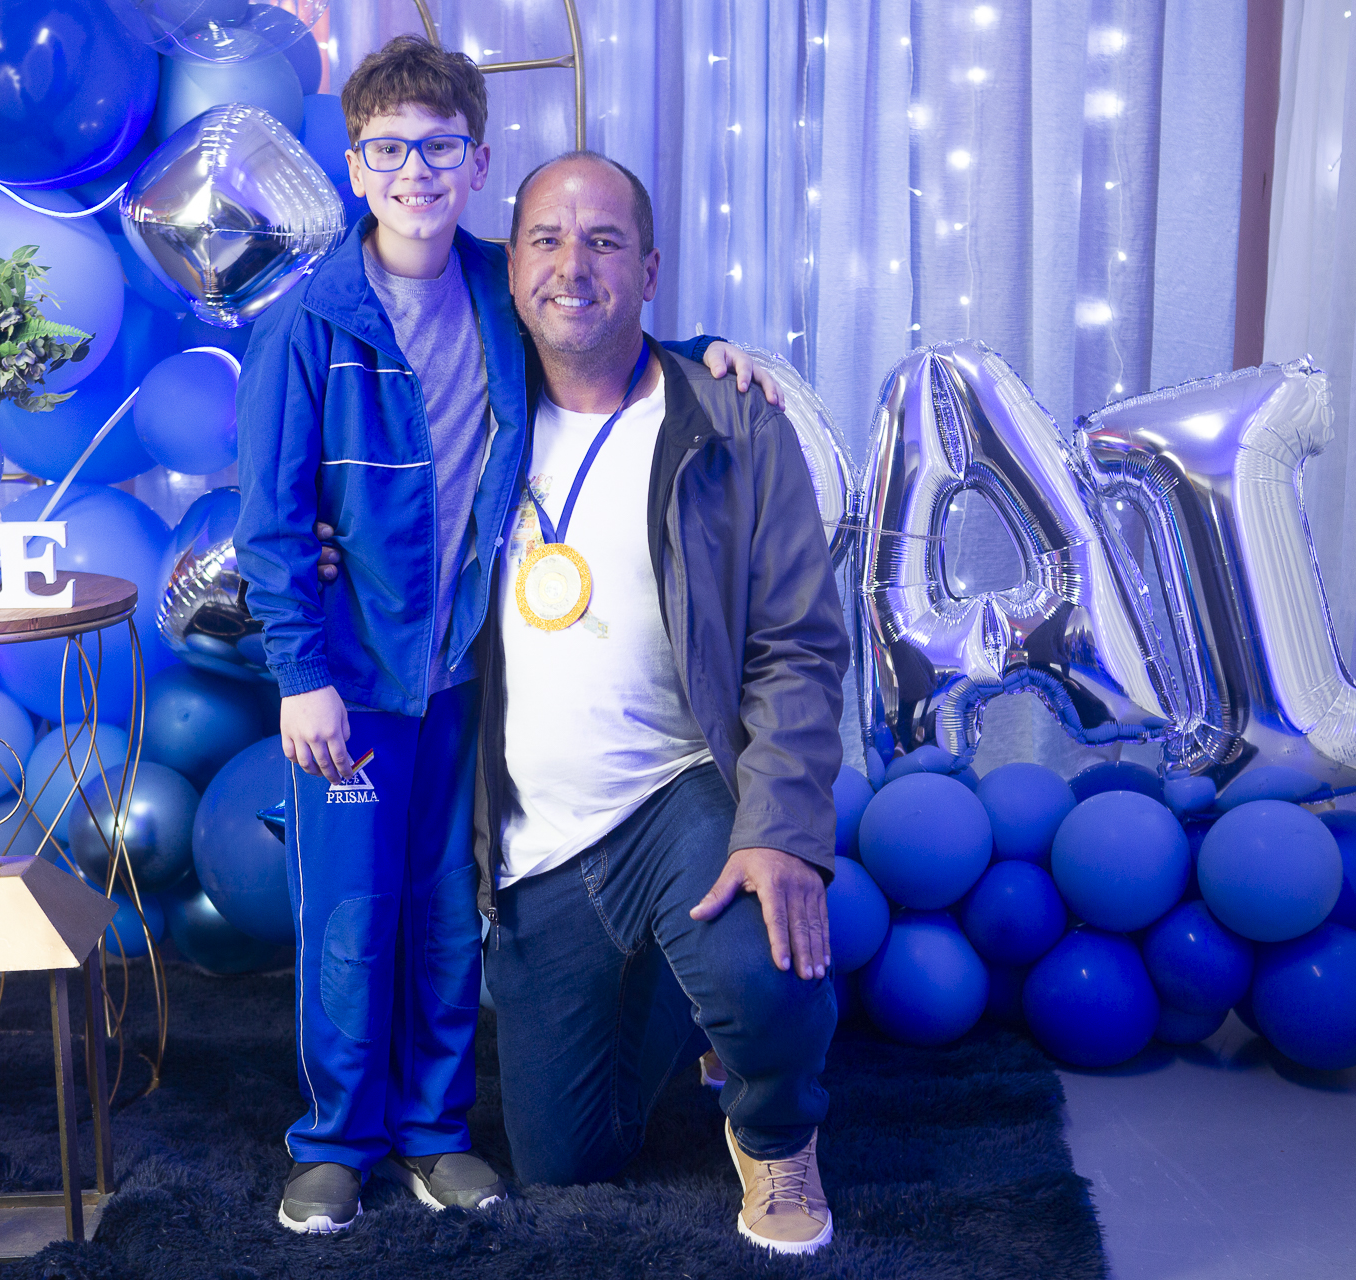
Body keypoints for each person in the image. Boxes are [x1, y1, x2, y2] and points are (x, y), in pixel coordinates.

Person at [234, 37, 780, 1237]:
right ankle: (336, 1140)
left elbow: (598, 332)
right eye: (389, 150)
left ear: (477, 163)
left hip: (469, 677)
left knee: (445, 910)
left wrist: (705, 355)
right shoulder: (307, 322)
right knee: (348, 921)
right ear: (354, 165)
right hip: (354, 686)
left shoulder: (498, 286)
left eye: (440, 149)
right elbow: (270, 524)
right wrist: (302, 672)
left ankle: (434, 1129)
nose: (415, 172)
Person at [475, 151, 848, 1256]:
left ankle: (775, 1129)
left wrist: (780, 829)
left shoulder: (732, 419)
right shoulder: (471, 414)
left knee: (767, 968)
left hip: (683, 787)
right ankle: (682, 1000)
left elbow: (799, 644)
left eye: (603, 241)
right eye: (546, 239)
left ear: (648, 268)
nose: (572, 266)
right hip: (535, 842)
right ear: (510, 267)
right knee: (564, 1158)